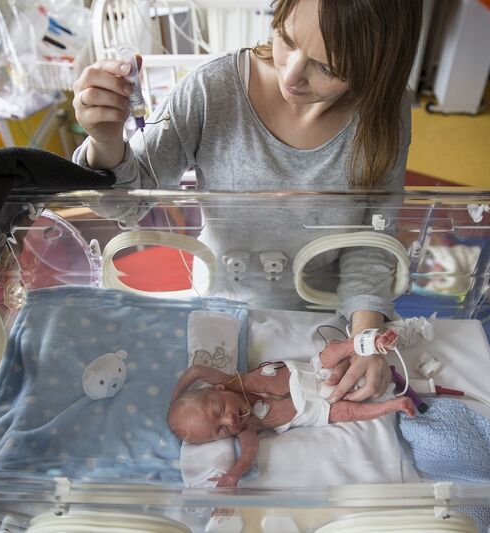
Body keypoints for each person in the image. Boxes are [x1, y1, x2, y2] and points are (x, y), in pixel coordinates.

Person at [72, 0, 422, 404]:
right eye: (286, 39)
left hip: (326, 310)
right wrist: (105, 140)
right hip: (223, 305)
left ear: (377, 69)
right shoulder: (212, 89)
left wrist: (364, 339)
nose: (291, 75)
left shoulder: (385, 114)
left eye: (327, 68)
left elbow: (371, 241)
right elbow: (125, 206)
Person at [167, 329, 415, 487]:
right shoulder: (248, 429)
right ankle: (392, 405)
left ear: (218, 390)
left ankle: (366, 342)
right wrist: (233, 476)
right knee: (347, 413)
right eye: (221, 430)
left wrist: (176, 394)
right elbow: (248, 456)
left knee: (330, 352)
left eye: (219, 410)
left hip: (311, 371)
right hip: (318, 407)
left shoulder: (229, 381)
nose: (229, 420)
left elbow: (196, 370)